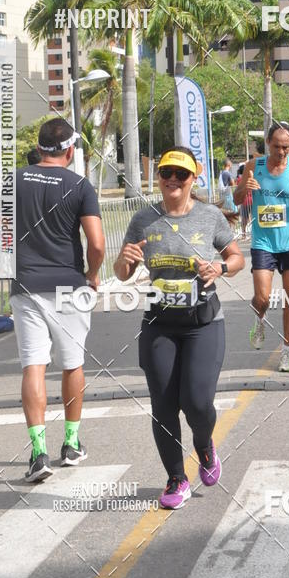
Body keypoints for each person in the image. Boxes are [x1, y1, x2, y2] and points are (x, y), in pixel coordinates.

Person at [114, 146, 244, 510]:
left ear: (193, 179)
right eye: (165, 173)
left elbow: (237, 258)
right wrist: (124, 261)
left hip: (203, 323)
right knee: (164, 406)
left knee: (198, 403)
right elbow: (122, 273)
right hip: (159, 323)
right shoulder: (144, 219)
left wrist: (220, 268)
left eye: (180, 174)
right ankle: (175, 478)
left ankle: (204, 446)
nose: (172, 179)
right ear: (158, 178)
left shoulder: (208, 217)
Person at [9, 119, 105, 483]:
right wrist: (93, 275)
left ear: (39, 147)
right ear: (69, 150)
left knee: (33, 366)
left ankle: (37, 452)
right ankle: (71, 443)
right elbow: (96, 244)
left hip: (26, 285)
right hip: (69, 284)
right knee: (72, 363)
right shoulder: (80, 185)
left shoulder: (13, 180)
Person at [233, 121, 289, 373]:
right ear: (268, 144)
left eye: (286, 147)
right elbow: (238, 199)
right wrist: (243, 189)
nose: (282, 152)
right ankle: (260, 319)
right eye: (277, 146)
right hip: (263, 242)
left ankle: (287, 351)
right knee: (262, 298)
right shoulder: (254, 166)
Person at [236, 162, 252, 240]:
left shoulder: (239, 179)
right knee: (253, 217)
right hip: (251, 200)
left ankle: (244, 234)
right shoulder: (249, 178)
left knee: (244, 219)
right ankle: (249, 233)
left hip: (244, 201)